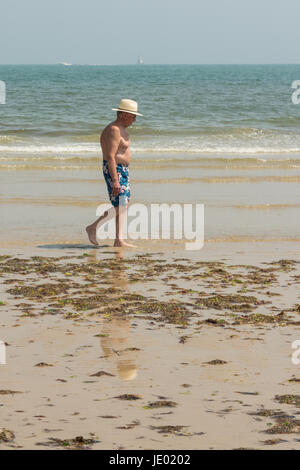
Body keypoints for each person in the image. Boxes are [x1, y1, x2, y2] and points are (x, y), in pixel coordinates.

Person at [86, 99, 143, 247]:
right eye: (133, 116)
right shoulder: (114, 130)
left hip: (122, 170)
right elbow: (110, 156)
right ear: (124, 114)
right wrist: (115, 180)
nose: (135, 120)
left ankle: (119, 240)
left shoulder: (121, 129)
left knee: (123, 204)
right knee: (122, 205)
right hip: (115, 169)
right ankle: (93, 227)